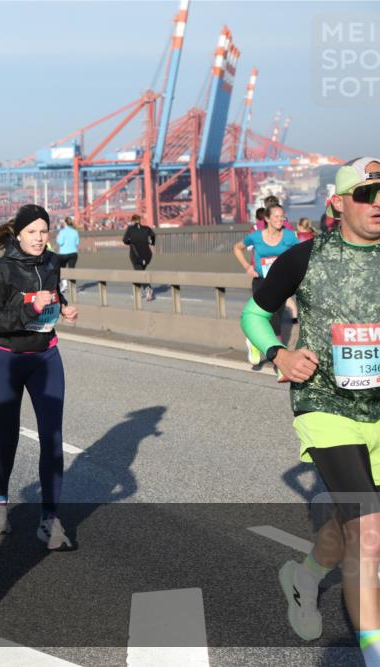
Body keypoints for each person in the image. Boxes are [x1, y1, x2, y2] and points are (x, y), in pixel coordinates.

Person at [240, 157, 380, 666]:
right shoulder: (305, 257)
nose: (378, 203)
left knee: (351, 526)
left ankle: (304, 576)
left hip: (379, 408)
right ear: (338, 203)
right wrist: (280, 353)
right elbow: (254, 313)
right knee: (368, 528)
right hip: (325, 402)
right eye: (365, 194)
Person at [0, 204, 79, 550]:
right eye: (33, 232)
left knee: (52, 440)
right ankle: (0, 500)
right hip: (5, 360)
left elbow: (52, 290)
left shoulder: (52, 262)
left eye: (44, 231)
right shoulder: (0, 271)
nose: (39, 238)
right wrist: (31, 308)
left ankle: (49, 521)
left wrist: (62, 305)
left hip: (45, 357)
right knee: (7, 440)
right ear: (18, 234)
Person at [233, 204, 300, 368]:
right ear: (267, 218)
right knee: (269, 317)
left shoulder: (289, 236)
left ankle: (257, 341)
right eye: (276, 216)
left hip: (281, 282)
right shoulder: (255, 236)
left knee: (276, 316)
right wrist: (248, 267)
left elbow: (300, 254)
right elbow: (237, 248)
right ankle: (279, 360)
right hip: (261, 282)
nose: (280, 220)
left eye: (282, 216)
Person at [122, 214, 156, 301]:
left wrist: (130, 242)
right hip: (147, 255)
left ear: (133, 221)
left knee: (139, 273)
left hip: (136, 255)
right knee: (140, 272)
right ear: (140, 220)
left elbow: (125, 240)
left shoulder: (130, 229)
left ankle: (148, 290)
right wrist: (151, 243)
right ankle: (136, 292)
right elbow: (153, 235)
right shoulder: (146, 228)